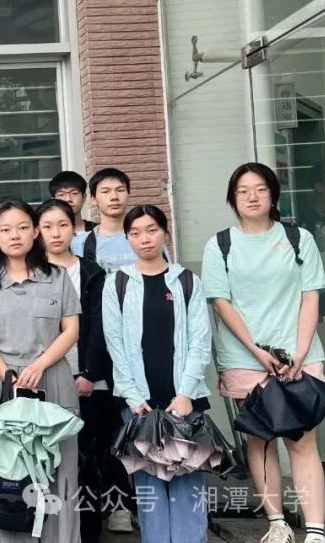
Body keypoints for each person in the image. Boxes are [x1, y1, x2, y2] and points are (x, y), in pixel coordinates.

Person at [202, 162, 325, 543]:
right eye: (242, 191)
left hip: (298, 356)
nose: (252, 196)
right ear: (232, 198)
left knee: (302, 441)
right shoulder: (220, 245)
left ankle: (316, 531)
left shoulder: (298, 239)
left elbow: (310, 296)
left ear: (273, 194)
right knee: (259, 441)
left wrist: (300, 352)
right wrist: (257, 352)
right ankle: (277, 523)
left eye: (260, 188)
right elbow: (221, 303)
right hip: (245, 358)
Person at [0, 200, 81, 543]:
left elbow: (71, 331)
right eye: (5, 229)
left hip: (53, 381)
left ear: (35, 232)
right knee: (11, 470)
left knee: (61, 471)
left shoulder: (58, 277)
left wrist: (39, 364)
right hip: (6, 386)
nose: (14, 235)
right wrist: (8, 374)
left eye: (22, 227)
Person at [102, 204, 213, 543]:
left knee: (187, 482)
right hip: (140, 403)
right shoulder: (117, 283)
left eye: (151, 230)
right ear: (127, 239)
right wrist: (133, 397)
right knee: (148, 484)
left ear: (165, 232)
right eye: (135, 233)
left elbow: (200, 340)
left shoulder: (186, 281)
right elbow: (115, 343)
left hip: (184, 399)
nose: (145, 239)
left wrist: (186, 394)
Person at [36, 200, 132, 540]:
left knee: (88, 460)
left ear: (73, 229)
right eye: (47, 226)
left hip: (89, 380)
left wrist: (90, 373)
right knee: (47, 461)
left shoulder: (92, 272)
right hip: (43, 379)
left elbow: (102, 326)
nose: (55, 233)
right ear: (37, 232)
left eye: (63, 225)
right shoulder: (30, 273)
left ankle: (88, 534)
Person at [72, 168, 143, 273]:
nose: (114, 197)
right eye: (105, 191)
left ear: (128, 195)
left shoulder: (146, 238)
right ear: (93, 199)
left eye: (120, 190)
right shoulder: (81, 243)